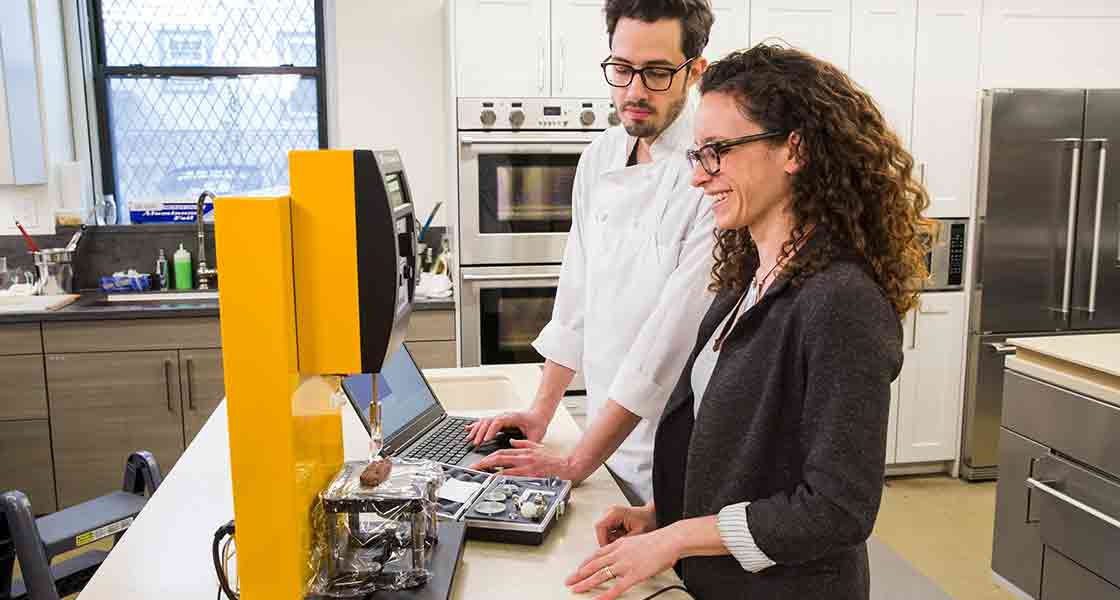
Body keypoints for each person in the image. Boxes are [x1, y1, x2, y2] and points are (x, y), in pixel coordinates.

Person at [565, 43, 930, 600]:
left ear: (794, 150)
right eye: (697, 154)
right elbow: (748, 456)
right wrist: (661, 516)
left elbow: (837, 509)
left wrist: (681, 537)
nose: (699, 176)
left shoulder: (839, 302)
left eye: (718, 151)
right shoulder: (744, 278)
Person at [467, 0, 717, 506]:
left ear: (696, 72)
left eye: (657, 73)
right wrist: (541, 412)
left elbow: (668, 341)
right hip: (602, 440)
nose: (634, 92)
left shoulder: (711, 172)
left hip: (671, 450)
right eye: (621, 70)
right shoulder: (600, 155)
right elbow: (575, 298)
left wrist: (577, 461)